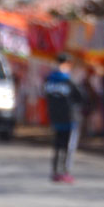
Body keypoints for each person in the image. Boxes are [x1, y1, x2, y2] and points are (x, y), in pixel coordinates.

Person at [44, 53, 84, 183]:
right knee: (68, 147)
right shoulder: (68, 81)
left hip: (55, 118)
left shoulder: (49, 80)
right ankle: (65, 172)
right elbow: (81, 97)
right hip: (69, 118)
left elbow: (46, 96)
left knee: (58, 145)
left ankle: (56, 171)